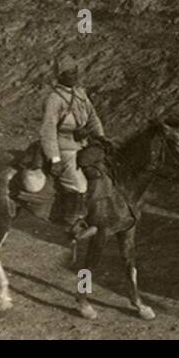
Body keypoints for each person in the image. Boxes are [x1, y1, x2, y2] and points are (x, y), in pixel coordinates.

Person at [40, 55, 104, 241]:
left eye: (75, 72)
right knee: (78, 183)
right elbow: (48, 129)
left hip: (83, 144)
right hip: (64, 146)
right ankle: (73, 223)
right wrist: (55, 158)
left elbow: (93, 118)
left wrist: (100, 137)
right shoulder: (54, 99)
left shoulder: (80, 93)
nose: (73, 76)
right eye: (68, 73)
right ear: (60, 76)